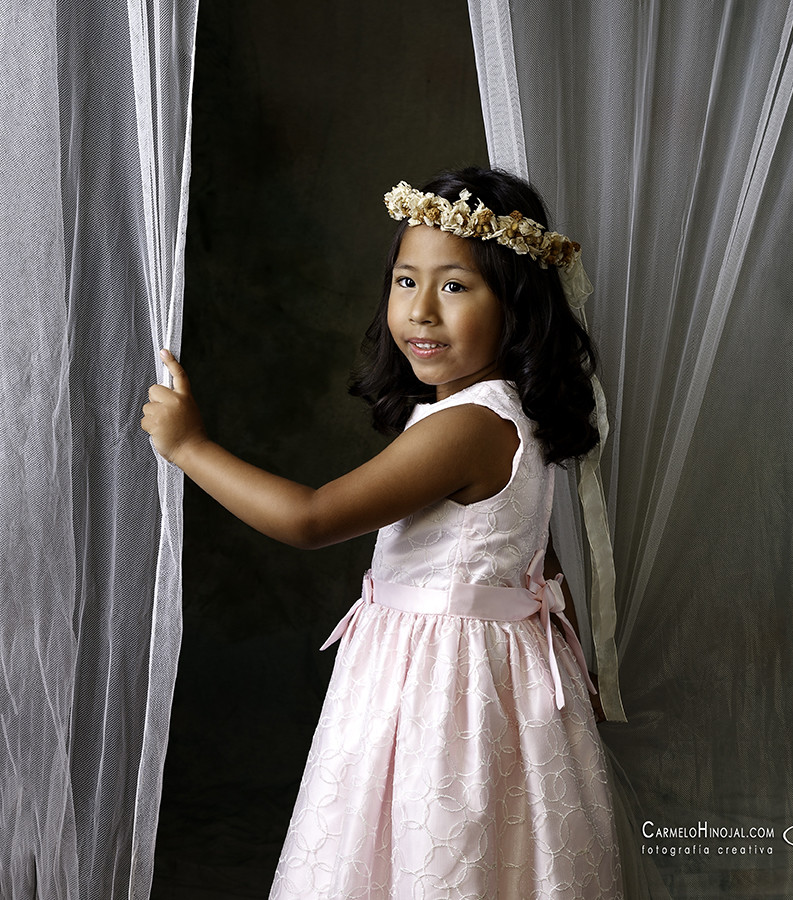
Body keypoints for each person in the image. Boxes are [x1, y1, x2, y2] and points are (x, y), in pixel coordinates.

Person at [141, 167, 623, 899]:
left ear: (517, 308)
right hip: (489, 678)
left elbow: (311, 518)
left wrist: (190, 448)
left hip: (444, 692)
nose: (421, 311)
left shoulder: (467, 426)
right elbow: (540, 563)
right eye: (405, 281)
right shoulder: (500, 414)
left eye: (455, 287)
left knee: (432, 849)